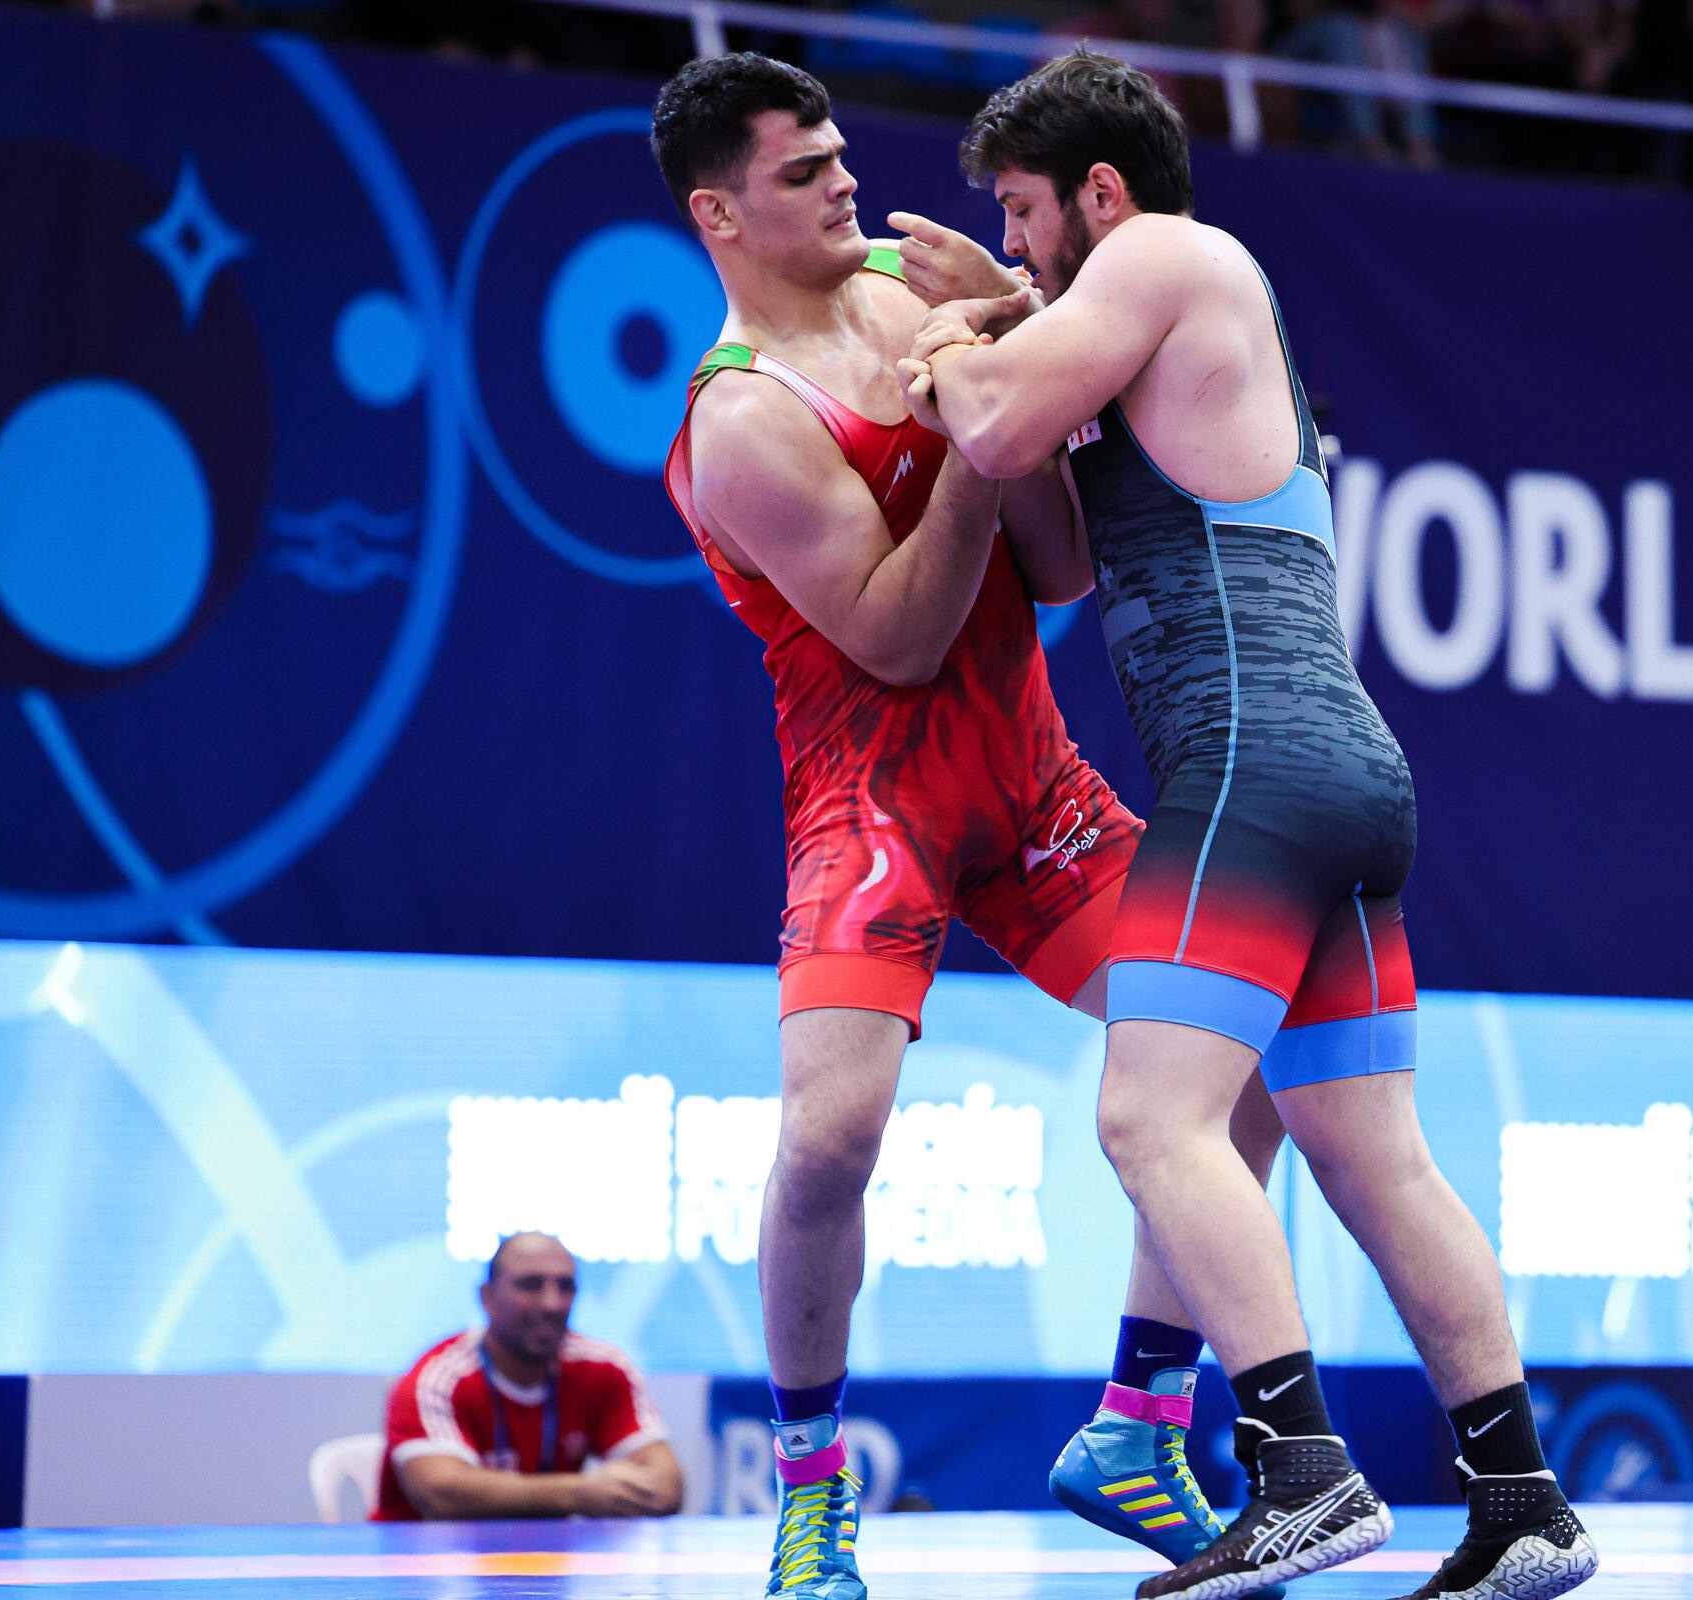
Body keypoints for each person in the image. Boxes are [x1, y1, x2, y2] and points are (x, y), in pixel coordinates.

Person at [901, 49, 1598, 1600]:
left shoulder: (1165, 252)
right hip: (1334, 775)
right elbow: (1058, 552)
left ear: (1100, 191)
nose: (1012, 245)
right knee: (1372, 1154)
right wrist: (999, 335)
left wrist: (950, 337)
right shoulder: (1145, 313)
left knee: (1153, 1122)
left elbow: (994, 420)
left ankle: (1297, 1471)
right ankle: (1522, 1502)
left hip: (1252, 770)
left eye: (1022, 212)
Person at [648, 53, 1289, 1600]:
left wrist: (1013, 333)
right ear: (719, 215)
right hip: (876, 805)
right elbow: (899, 636)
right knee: (830, 1139)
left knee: (1259, 1060)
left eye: (839, 154)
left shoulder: (911, 287)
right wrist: (977, 425)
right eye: (804, 172)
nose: (848, 184)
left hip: (1036, 786)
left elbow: (1057, 568)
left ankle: (1140, 1424)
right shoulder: (742, 418)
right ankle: (813, 1493)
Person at [373, 1232, 684, 1521]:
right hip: (425, 1559)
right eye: (531, 1285)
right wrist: (579, 1492)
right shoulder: (438, 1378)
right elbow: (441, 1493)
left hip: (551, 1559)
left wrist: (621, 1491)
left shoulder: (604, 1369)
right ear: (487, 1297)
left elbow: (667, 1486)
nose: (552, 1303)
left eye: (565, 1286)